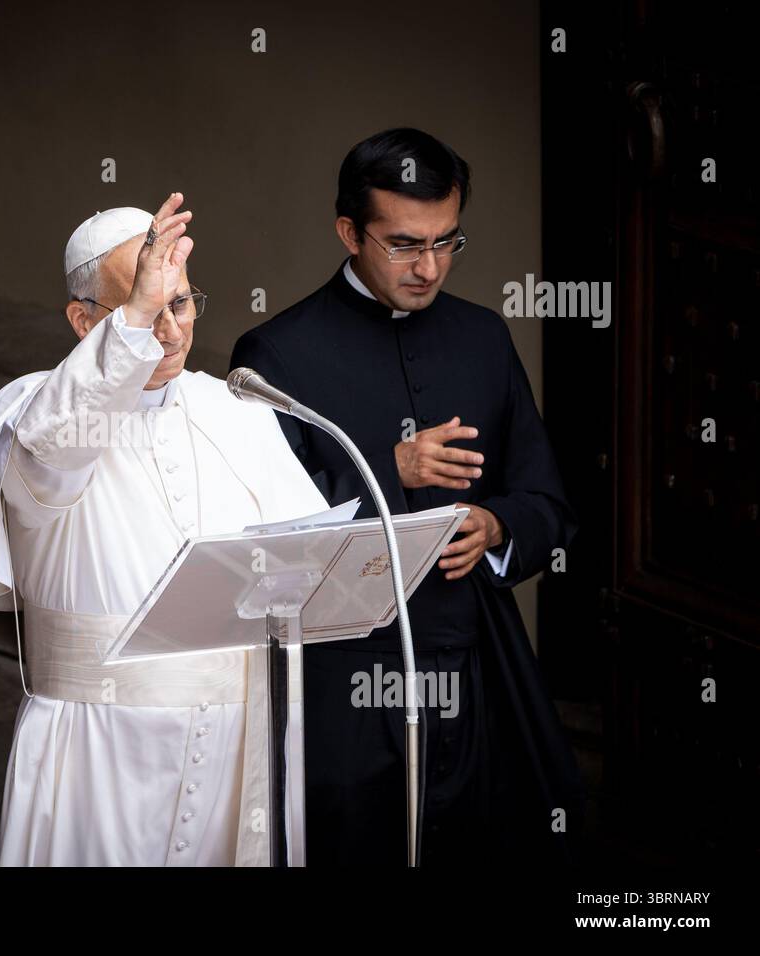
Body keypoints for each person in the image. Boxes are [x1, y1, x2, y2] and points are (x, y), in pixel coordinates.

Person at [0, 195, 327, 865]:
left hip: (234, 742)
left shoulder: (236, 408)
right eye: (142, 309)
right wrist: (131, 322)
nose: (167, 332)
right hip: (97, 748)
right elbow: (52, 452)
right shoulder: (29, 408)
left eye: (179, 305)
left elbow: (306, 557)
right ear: (83, 321)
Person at [231, 128, 584, 865]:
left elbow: (549, 503)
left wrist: (497, 524)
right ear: (349, 232)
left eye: (447, 242)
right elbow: (255, 545)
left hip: (474, 660)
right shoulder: (276, 356)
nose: (429, 268)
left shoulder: (483, 337)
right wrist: (388, 469)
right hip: (340, 682)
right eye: (403, 245)